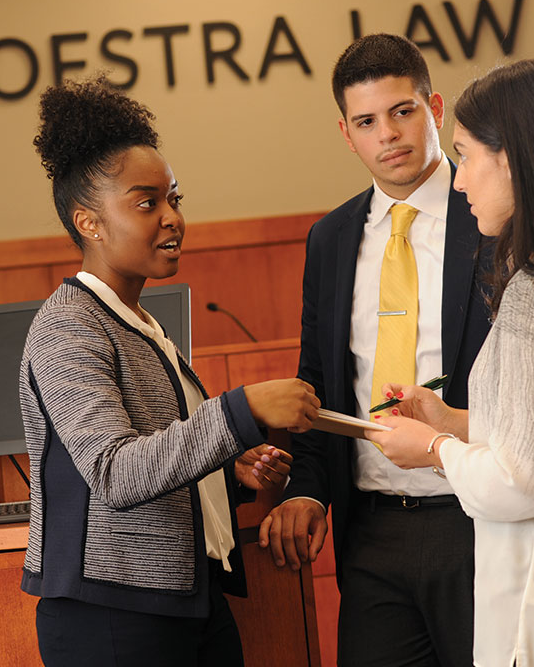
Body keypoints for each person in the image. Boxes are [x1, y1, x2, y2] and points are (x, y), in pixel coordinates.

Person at [20, 76, 320, 667]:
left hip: (183, 598)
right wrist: (244, 410)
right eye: (146, 202)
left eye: (174, 198)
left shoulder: (138, 320)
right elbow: (115, 472)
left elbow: (158, 452)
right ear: (89, 222)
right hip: (114, 613)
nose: (172, 218)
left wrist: (229, 471)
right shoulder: (68, 326)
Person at [259, 33, 492, 667]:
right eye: (367, 121)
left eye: (402, 111)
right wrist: (305, 491)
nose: (388, 134)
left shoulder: (493, 215)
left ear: (434, 107)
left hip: (479, 515)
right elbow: (317, 379)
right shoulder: (331, 238)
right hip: (372, 529)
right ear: (347, 133)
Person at [365, 58, 534, 667]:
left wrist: (434, 451)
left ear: (515, 160)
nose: (460, 179)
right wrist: (454, 422)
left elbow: (529, 482)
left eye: (466, 156)